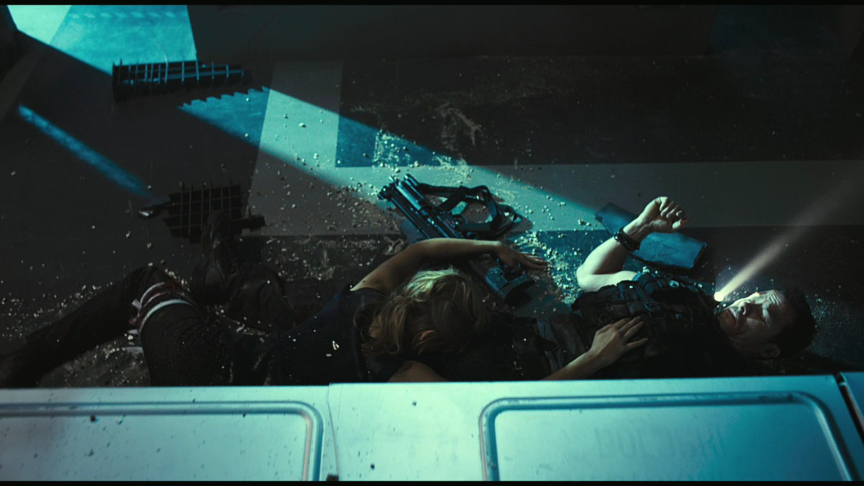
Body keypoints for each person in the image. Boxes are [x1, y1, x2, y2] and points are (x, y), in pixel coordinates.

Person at [0, 211, 646, 387]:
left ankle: (21, 361)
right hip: (219, 384)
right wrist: (592, 360)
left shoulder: (365, 297)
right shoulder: (407, 373)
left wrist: (487, 245)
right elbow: (506, 405)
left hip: (209, 362)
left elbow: (421, 252)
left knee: (145, 282)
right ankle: (215, 286)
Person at [436, 197, 819, 382]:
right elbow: (589, 276)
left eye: (762, 313)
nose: (745, 305)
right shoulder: (684, 296)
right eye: (752, 298)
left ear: (769, 350)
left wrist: (595, 359)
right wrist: (638, 229)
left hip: (532, 382)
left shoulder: (717, 382)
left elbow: (527, 406)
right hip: (512, 337)